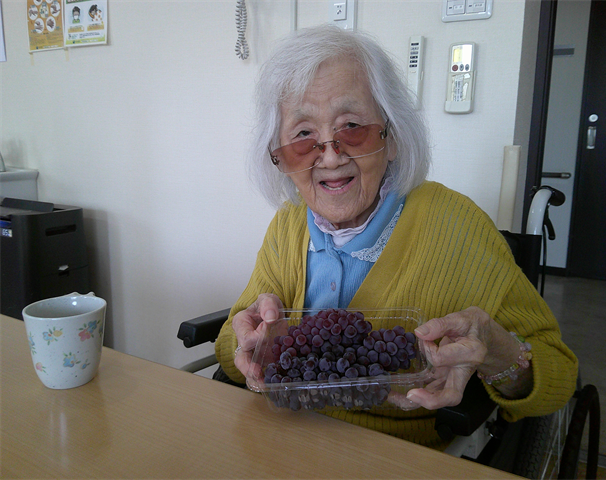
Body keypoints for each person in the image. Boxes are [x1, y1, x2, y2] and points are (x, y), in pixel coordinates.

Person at [214, 25, 578, 448]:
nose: (330, 156)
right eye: (302, 135)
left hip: (395, 454)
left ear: (393, 137)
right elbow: (230, 342)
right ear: (277, 155)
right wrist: (248, 342)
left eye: (352, 126)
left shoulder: (457, 225)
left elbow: (557, 377)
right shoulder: (288, 224)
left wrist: (495, 349)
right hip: (278, 437)